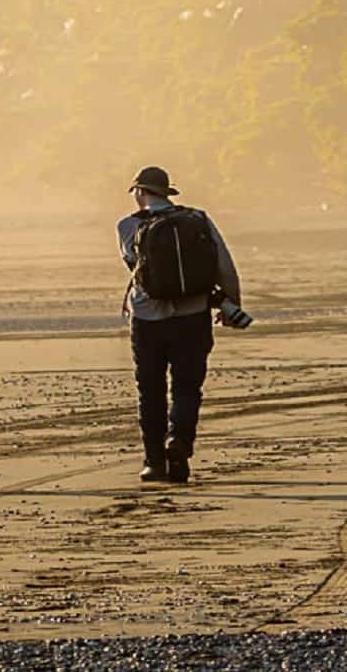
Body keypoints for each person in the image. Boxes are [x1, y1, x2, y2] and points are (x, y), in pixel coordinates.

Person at [117, 167, 248, 484]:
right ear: (166, 192)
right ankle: (179, 445)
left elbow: (135, 266)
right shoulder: (198, 219)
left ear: (140, 192)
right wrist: (232, 305)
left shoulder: (128, 226)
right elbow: (224, 266)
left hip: (148, 320)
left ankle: (154, 462)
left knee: (150, 391)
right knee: (187, 387)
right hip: (193, 315)